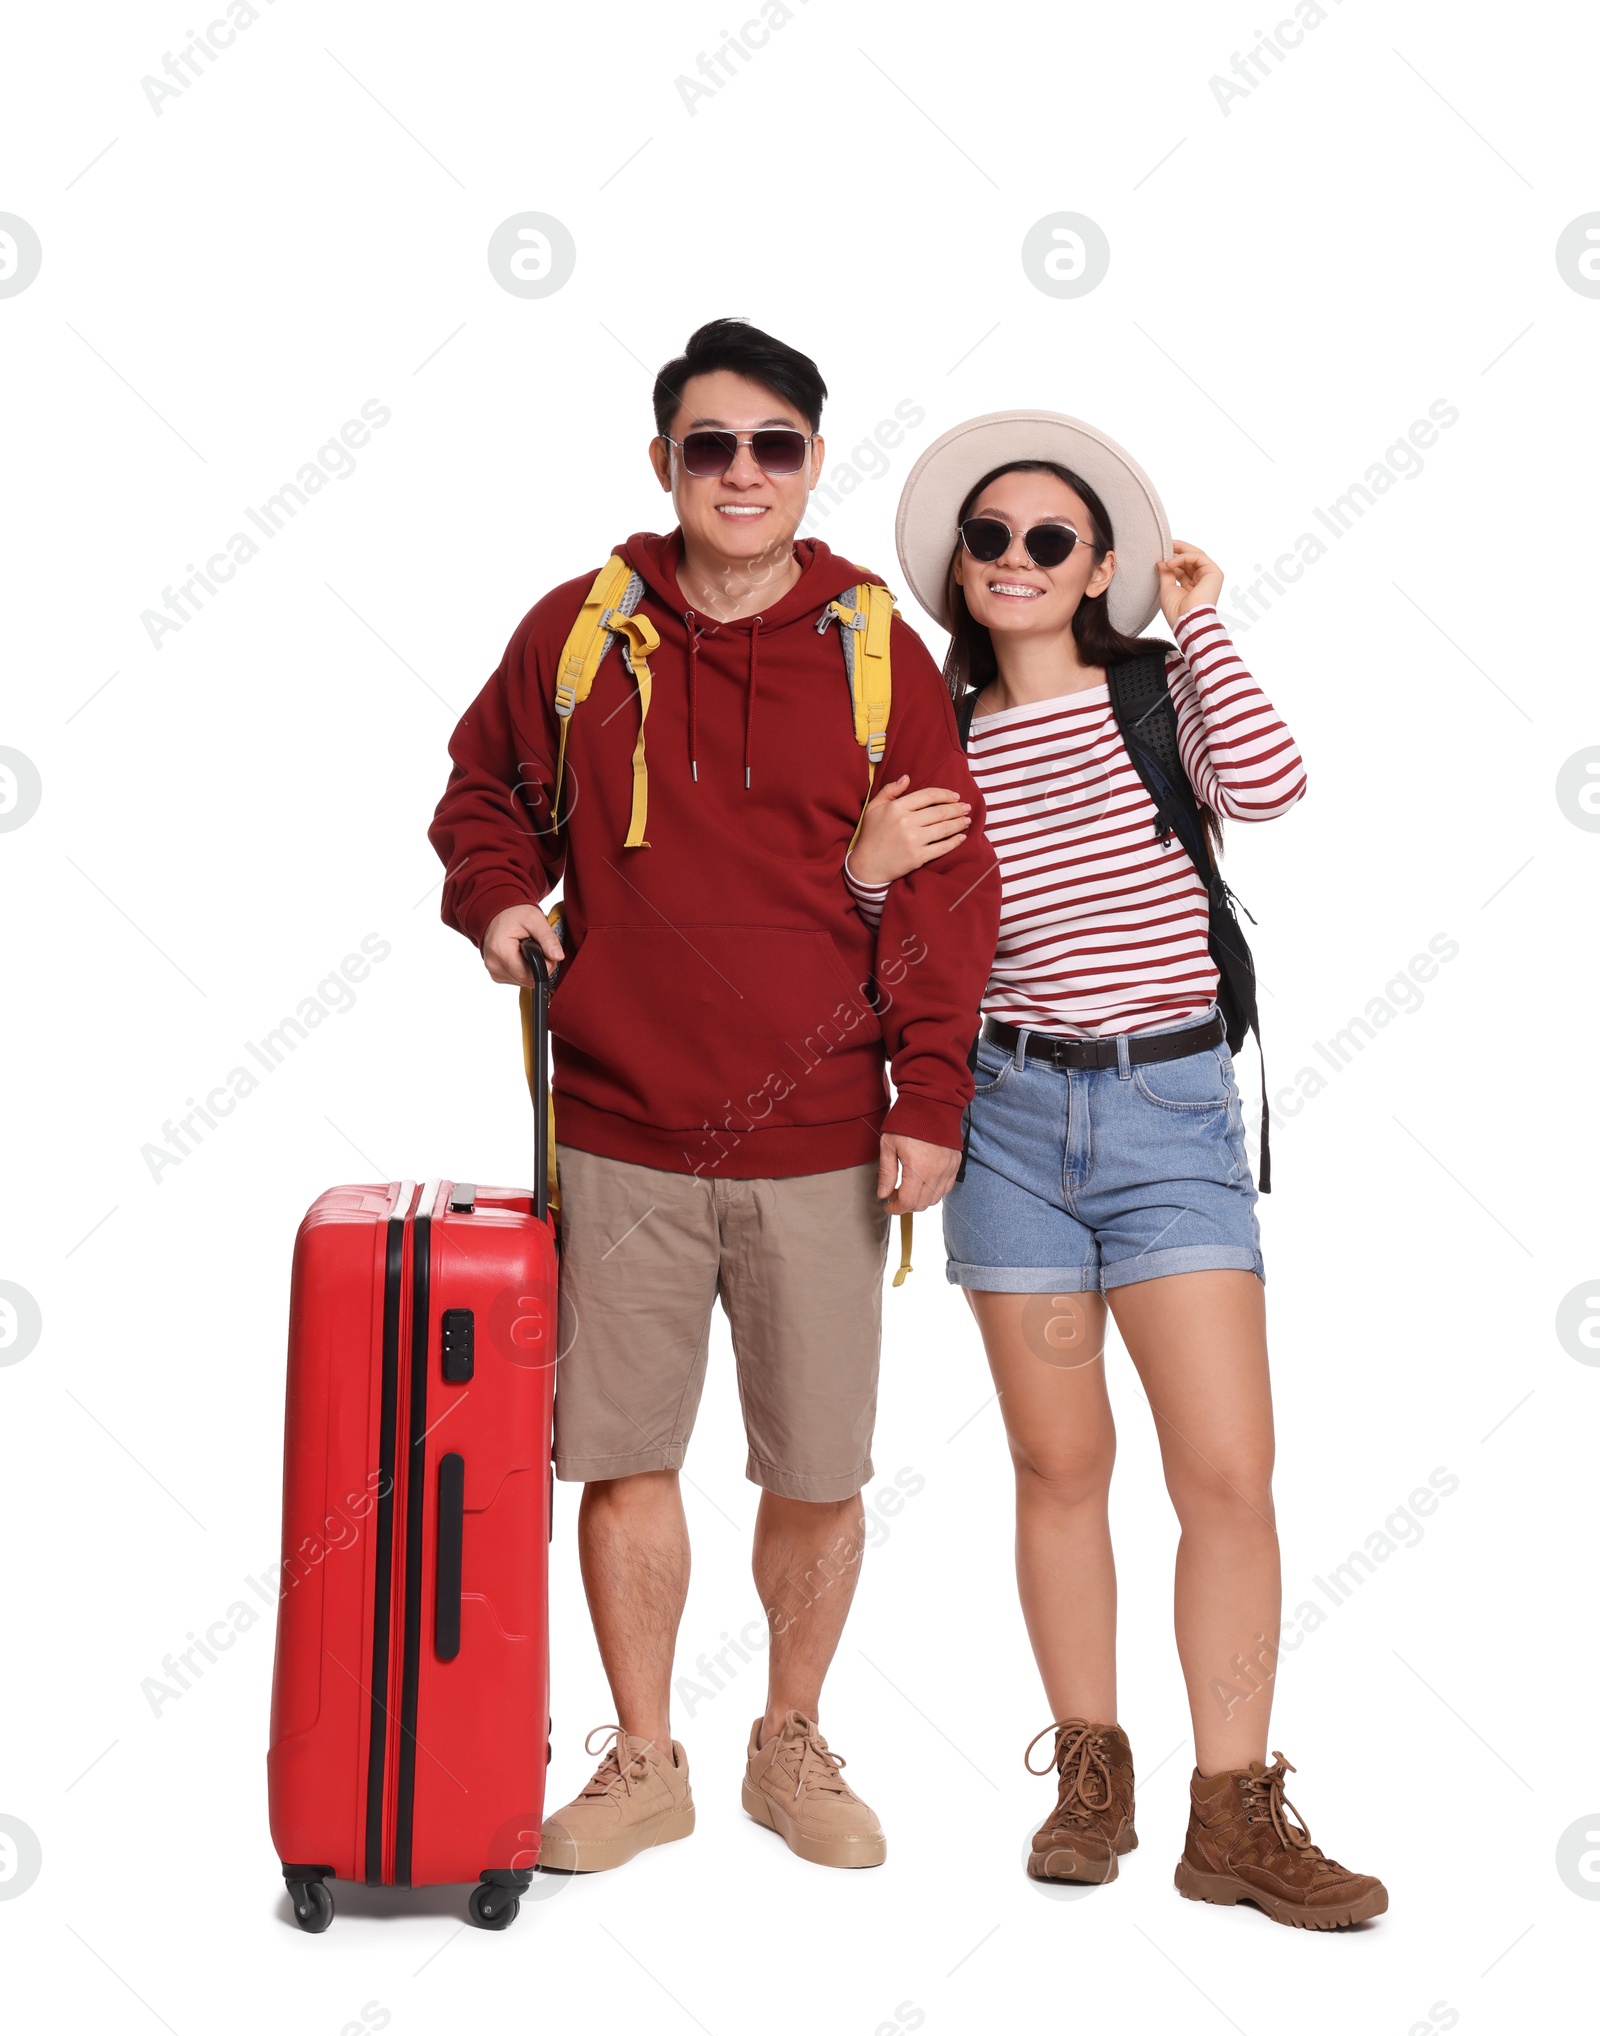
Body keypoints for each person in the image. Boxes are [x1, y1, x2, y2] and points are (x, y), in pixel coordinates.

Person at [428, 320, 999, 1874]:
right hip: (617, 1129)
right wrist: (498, 903)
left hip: (825, 1137)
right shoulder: (582, 626)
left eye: (774, 445)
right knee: (623, 1459)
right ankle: (646, 1754)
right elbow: (483, 791)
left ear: (815, 462)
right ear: (665, 462)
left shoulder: (875, 642)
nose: (741, 473)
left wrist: (928, 1092)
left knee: (818, 1469)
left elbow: (948, 890)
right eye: (709, 445)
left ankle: (789, 1738)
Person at [846, 409, 1387, 1929]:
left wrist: (1202, 621)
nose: (1013, 559)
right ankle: (1093, 1776)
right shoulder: (930, 735)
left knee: (1225, 1470)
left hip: (1168, 1120)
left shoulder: (1155, 696)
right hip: (1007, 1121)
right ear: (959, 569)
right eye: (989, 539)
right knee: (1059, 1464)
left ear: (1098, 571)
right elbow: (877, 935)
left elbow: (1274, 787)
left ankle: (1236, 1807)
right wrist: (862, 868)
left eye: (1049, 541)